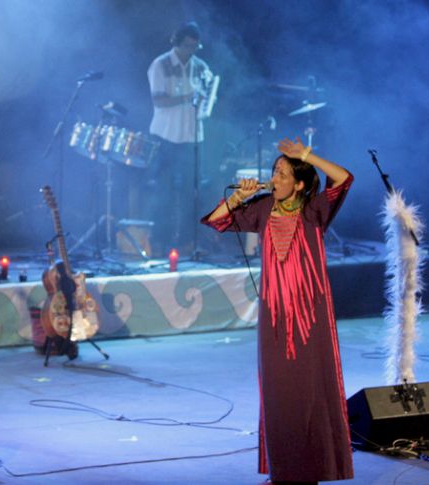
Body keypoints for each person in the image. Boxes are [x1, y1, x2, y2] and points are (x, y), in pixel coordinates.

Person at [201, 137, 354, 484]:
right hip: (274, 316)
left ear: (299, 184)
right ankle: (283, 472)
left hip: (311, 318)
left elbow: (344, 178)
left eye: (283, 173)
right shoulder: (262, 207)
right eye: (274, 171)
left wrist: (307, 155)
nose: (275, 177)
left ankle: (313, 468)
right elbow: (215, 221)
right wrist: (239, 196)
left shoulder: (316, 210)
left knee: (311, 392)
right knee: (278, 393)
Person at [146, 21, 214, 255]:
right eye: (186, 46)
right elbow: (159, 100)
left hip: (192, 138)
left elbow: (208, 99)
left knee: (189, 194)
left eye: (195, 46)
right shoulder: (160, 65)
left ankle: (186, 242)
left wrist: (207, 99)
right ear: (177, 43)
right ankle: (158, 242)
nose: (190, 51)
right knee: (162, 192)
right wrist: (189, 96)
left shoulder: (201, 67)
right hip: (165, 137)